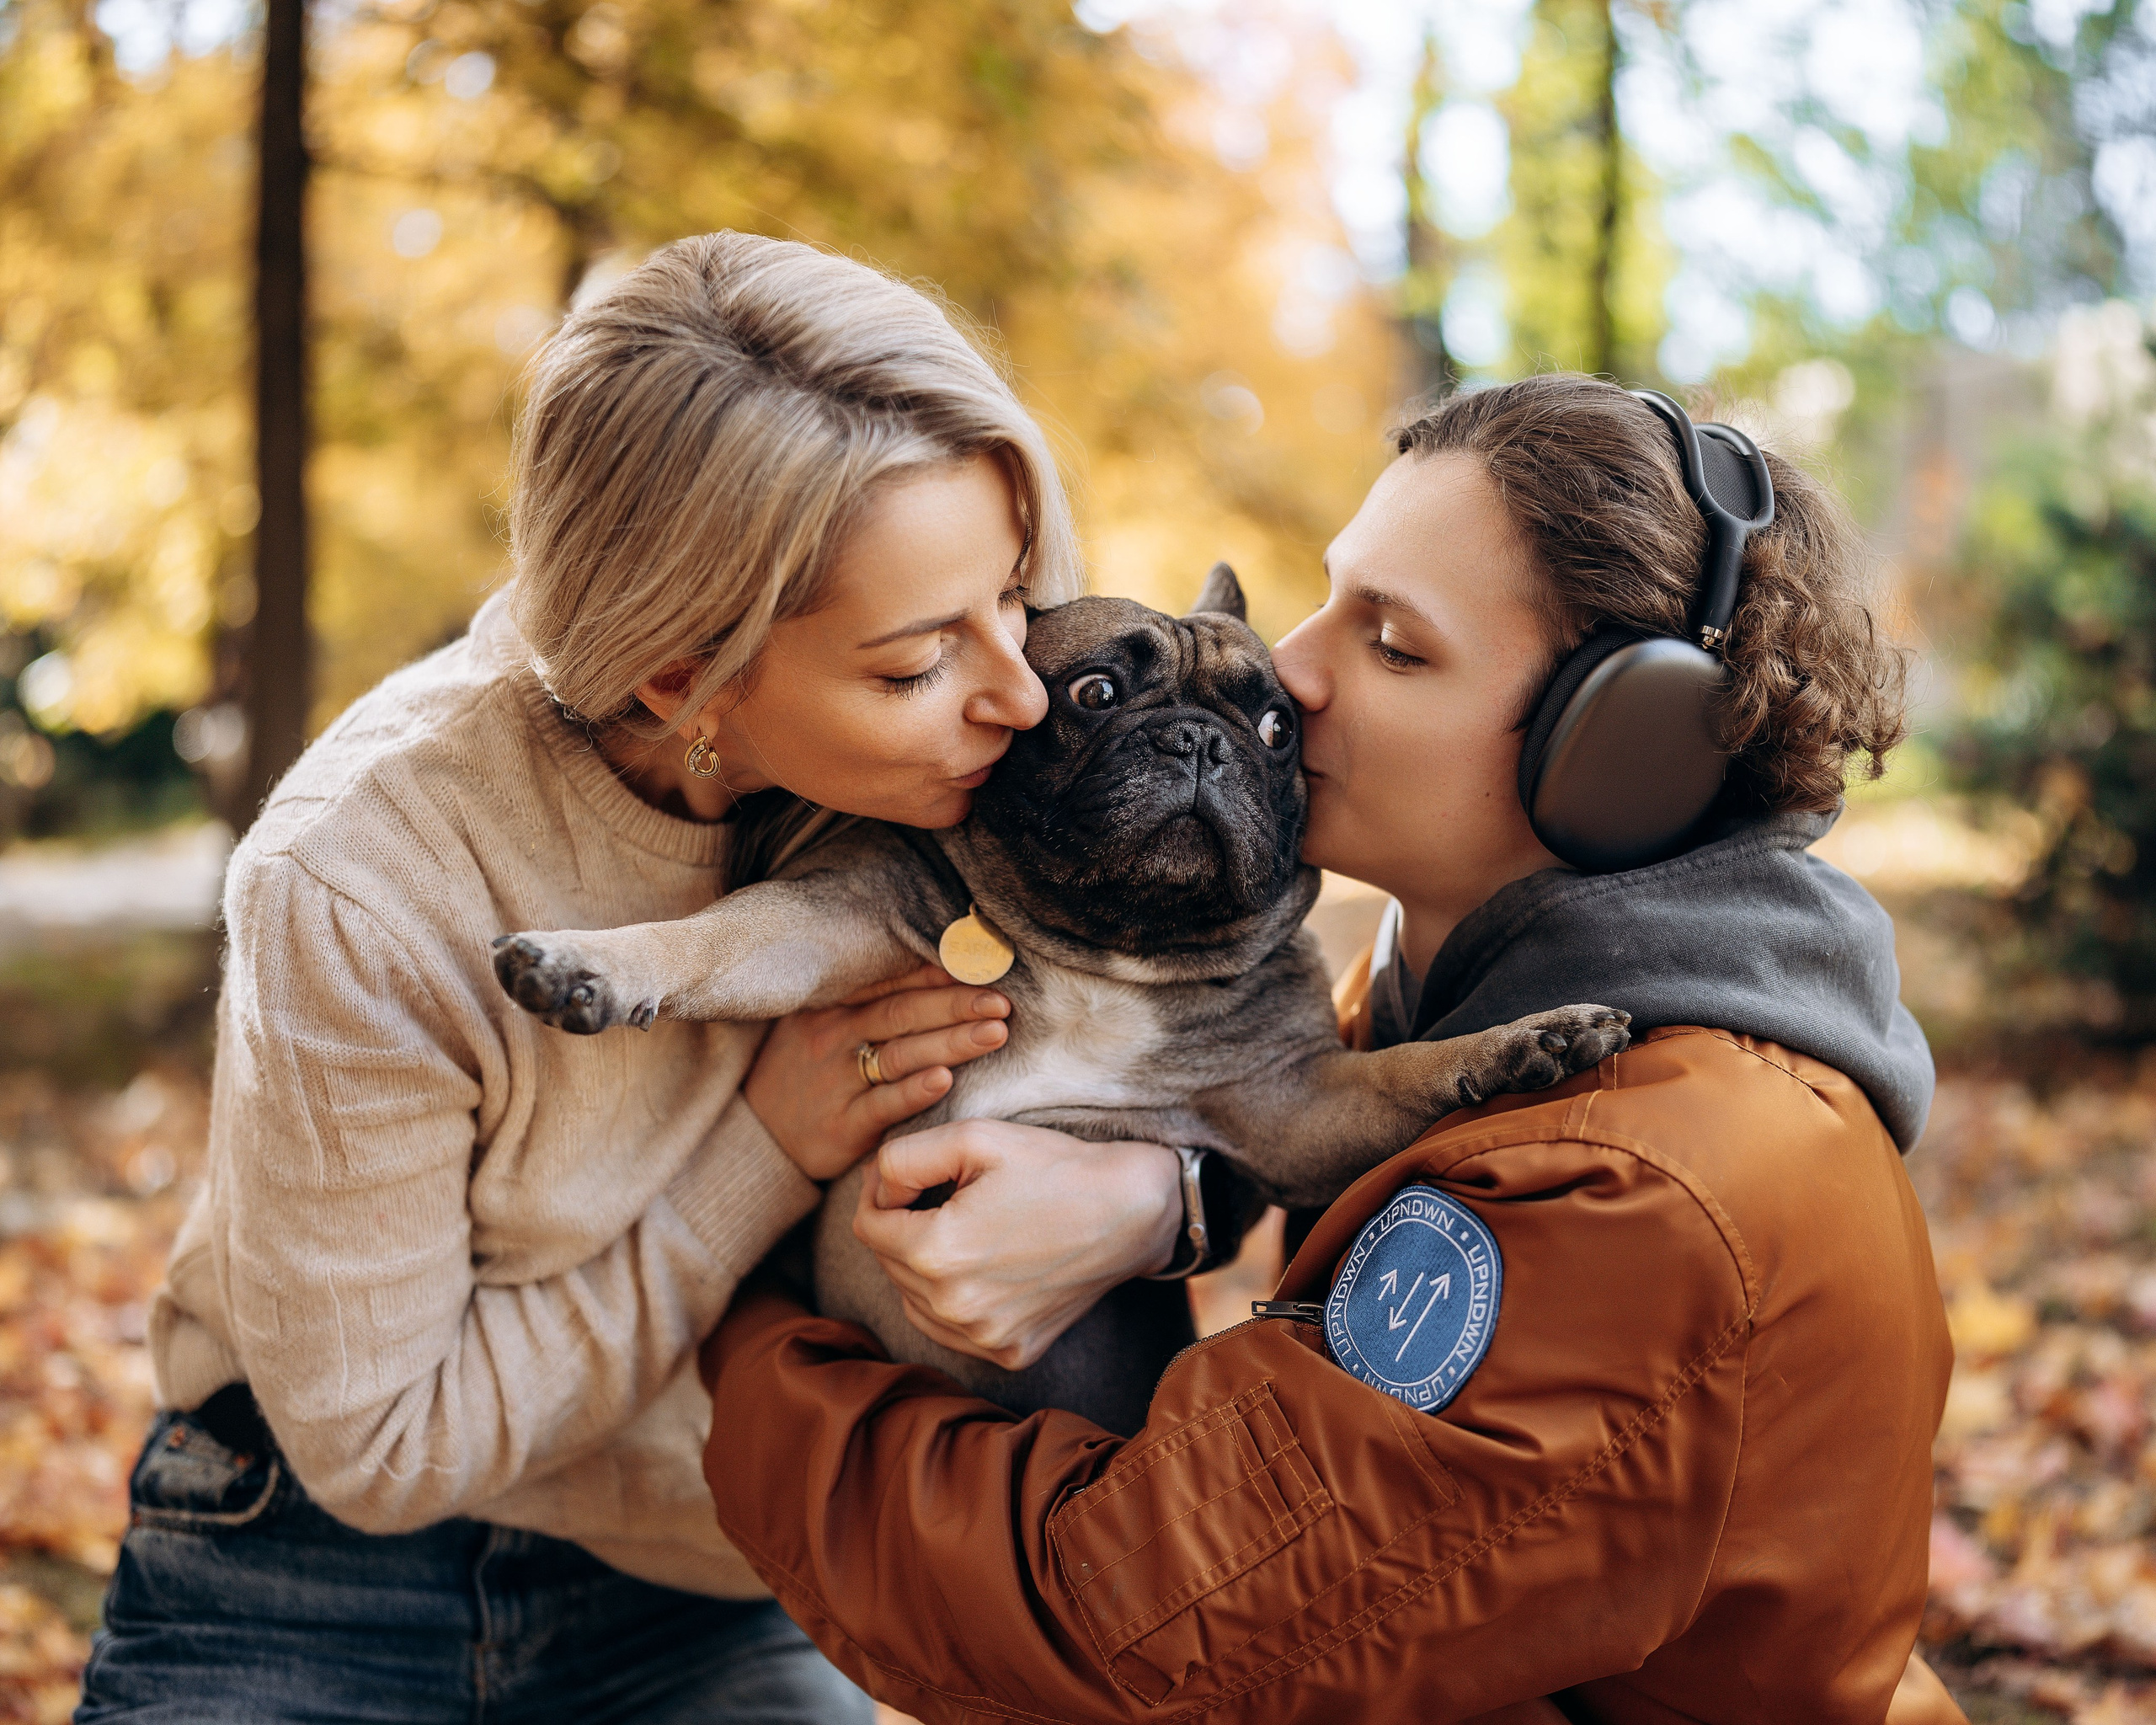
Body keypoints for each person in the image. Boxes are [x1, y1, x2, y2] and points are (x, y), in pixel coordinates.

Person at [697, 375, 1969, 1724]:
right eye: (1324, 599)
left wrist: (758, 1344)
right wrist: (1164, 1207)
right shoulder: (1483, 1006)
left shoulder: (1631, 1189)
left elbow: (1128, 1634)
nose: (1288, 671)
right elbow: (1289, 1126)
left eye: (1394, 644)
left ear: (1613, 759)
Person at [79, 232, 1223, 1723]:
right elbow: (380, 1449)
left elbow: (1242, 1059)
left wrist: (1162, 1207)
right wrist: (761, 1149)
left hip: (712, 1563)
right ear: (681, 680)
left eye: (1013, 599)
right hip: (306, 1569)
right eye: (913, 664)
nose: (1014, 692)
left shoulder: (983, 781)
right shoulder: (364, 883)